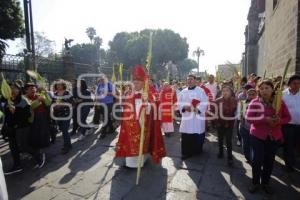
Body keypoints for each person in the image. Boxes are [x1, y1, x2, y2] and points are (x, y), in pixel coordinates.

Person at [115, 65, 166, 168]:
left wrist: (147, 104)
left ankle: (144, 157)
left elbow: (154, 107)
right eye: (134, 82)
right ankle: (132, 160)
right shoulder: (130, 93)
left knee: (144, 143)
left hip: (144, 124)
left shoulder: (149, 94)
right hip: (131, 124)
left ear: (143, 83)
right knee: (131, 145)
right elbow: (126, 108)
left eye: (138, 82)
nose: (135, 84)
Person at [246, 80, 291, 194]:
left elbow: (288, 118)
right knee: (257, 160)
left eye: (267, 88)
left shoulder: (279, 102)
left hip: (274, 137)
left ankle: (265, 183)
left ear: (273, 89)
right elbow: (249, 118)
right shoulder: (255, 102)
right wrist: (264, 119)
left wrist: (278, 121)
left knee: (269, 161)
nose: (264, 90)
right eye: (261, 88)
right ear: (258, 91)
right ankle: (255, 182)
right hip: (257, 136)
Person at [4, 83, 45, 175]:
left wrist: (16, 111)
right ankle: (17, 165)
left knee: (23, 146)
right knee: (13, 148)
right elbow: (6, 115)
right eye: (10, 88)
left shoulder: (23, 100)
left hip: (22, 127)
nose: (12, 90)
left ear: (19, 90)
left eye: (15, 88)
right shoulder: (8, 100)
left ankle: (38, 155)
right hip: (11, 128)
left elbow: (27, 115)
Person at [178, 75, 208, 160]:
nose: (189, 81)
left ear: (195, 80)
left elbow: (205, 102)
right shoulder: (183, 91)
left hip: (196, 117)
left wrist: (196, 109)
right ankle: (185, 153)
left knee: (196, 134)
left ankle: (197, 150)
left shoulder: (201, 91)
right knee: (186, 135)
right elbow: (179, 103)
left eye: (191, 79)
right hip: (187, 117)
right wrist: (184, 107)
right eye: (188, 80)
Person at [214, 85, 237, 166]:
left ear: (230, 92)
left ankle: (230, 157)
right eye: (223, 91)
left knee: (228, 141)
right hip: (220, 123)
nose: (225, 92)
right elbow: (213, 112)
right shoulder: (217, 101)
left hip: (229, 124)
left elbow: (237, 112)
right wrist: (216, 122)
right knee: (220, 140)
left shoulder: (235, 101)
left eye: (227, 91)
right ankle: (220, 153)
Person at [25, 83, 52, 148]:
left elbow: (48, 103)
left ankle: (45, 143)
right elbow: (30, 106)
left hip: (43, 115)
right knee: (35, 131)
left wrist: (46, 95)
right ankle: (37, 145)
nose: (33, 90)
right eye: (31, 88)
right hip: (33, 117)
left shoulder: (40, 95)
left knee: (44, 130)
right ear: (26, 90)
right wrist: (38, 100)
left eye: (34, 88)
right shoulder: (24, 97)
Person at [282, 74, 300, 172]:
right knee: (289, 145)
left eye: (298, 83)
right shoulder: (283, 95)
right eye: (294, 83)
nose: (297, 85)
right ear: (289, 84)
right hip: (288, 125)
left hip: (299, 125)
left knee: (296, 145)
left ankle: (294, 161)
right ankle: (289, 164)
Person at [52, 79, 73, 154]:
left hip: (66, 114)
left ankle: (66, 146)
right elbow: (52, 102)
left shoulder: (67, 93)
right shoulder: (55, 93)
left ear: (63, 85)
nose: (58, 86)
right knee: (62, 129)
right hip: (58, 115)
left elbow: (72, 103)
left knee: (64, 130)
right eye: (57, 84)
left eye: (60, 84)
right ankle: (69, 144)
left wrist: (62, 104)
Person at [93, 74, 116, 138]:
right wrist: (96, 101)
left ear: (106, 79)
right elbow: (97, 94)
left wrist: (106, 93)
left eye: (102, 79)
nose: (101, 81)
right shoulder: (99, 85)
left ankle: (103, 133)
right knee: (107, 117)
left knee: (105, 117)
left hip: (109, 103)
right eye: (100, 80)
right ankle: (111, 128)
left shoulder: (110, 85)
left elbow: (114, 94)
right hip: (101, 103)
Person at [239, 88, 257, 163]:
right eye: (250, 94)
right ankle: (248, 157)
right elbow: (241, 114)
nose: (251, 96)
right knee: (245, 144)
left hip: (255, 129)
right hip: (245, 128)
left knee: (253, 146)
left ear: (256, 95)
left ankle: (254, 159)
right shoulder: (243, 103)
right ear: (247, 95)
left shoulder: (259, 104)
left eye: (253, 94)